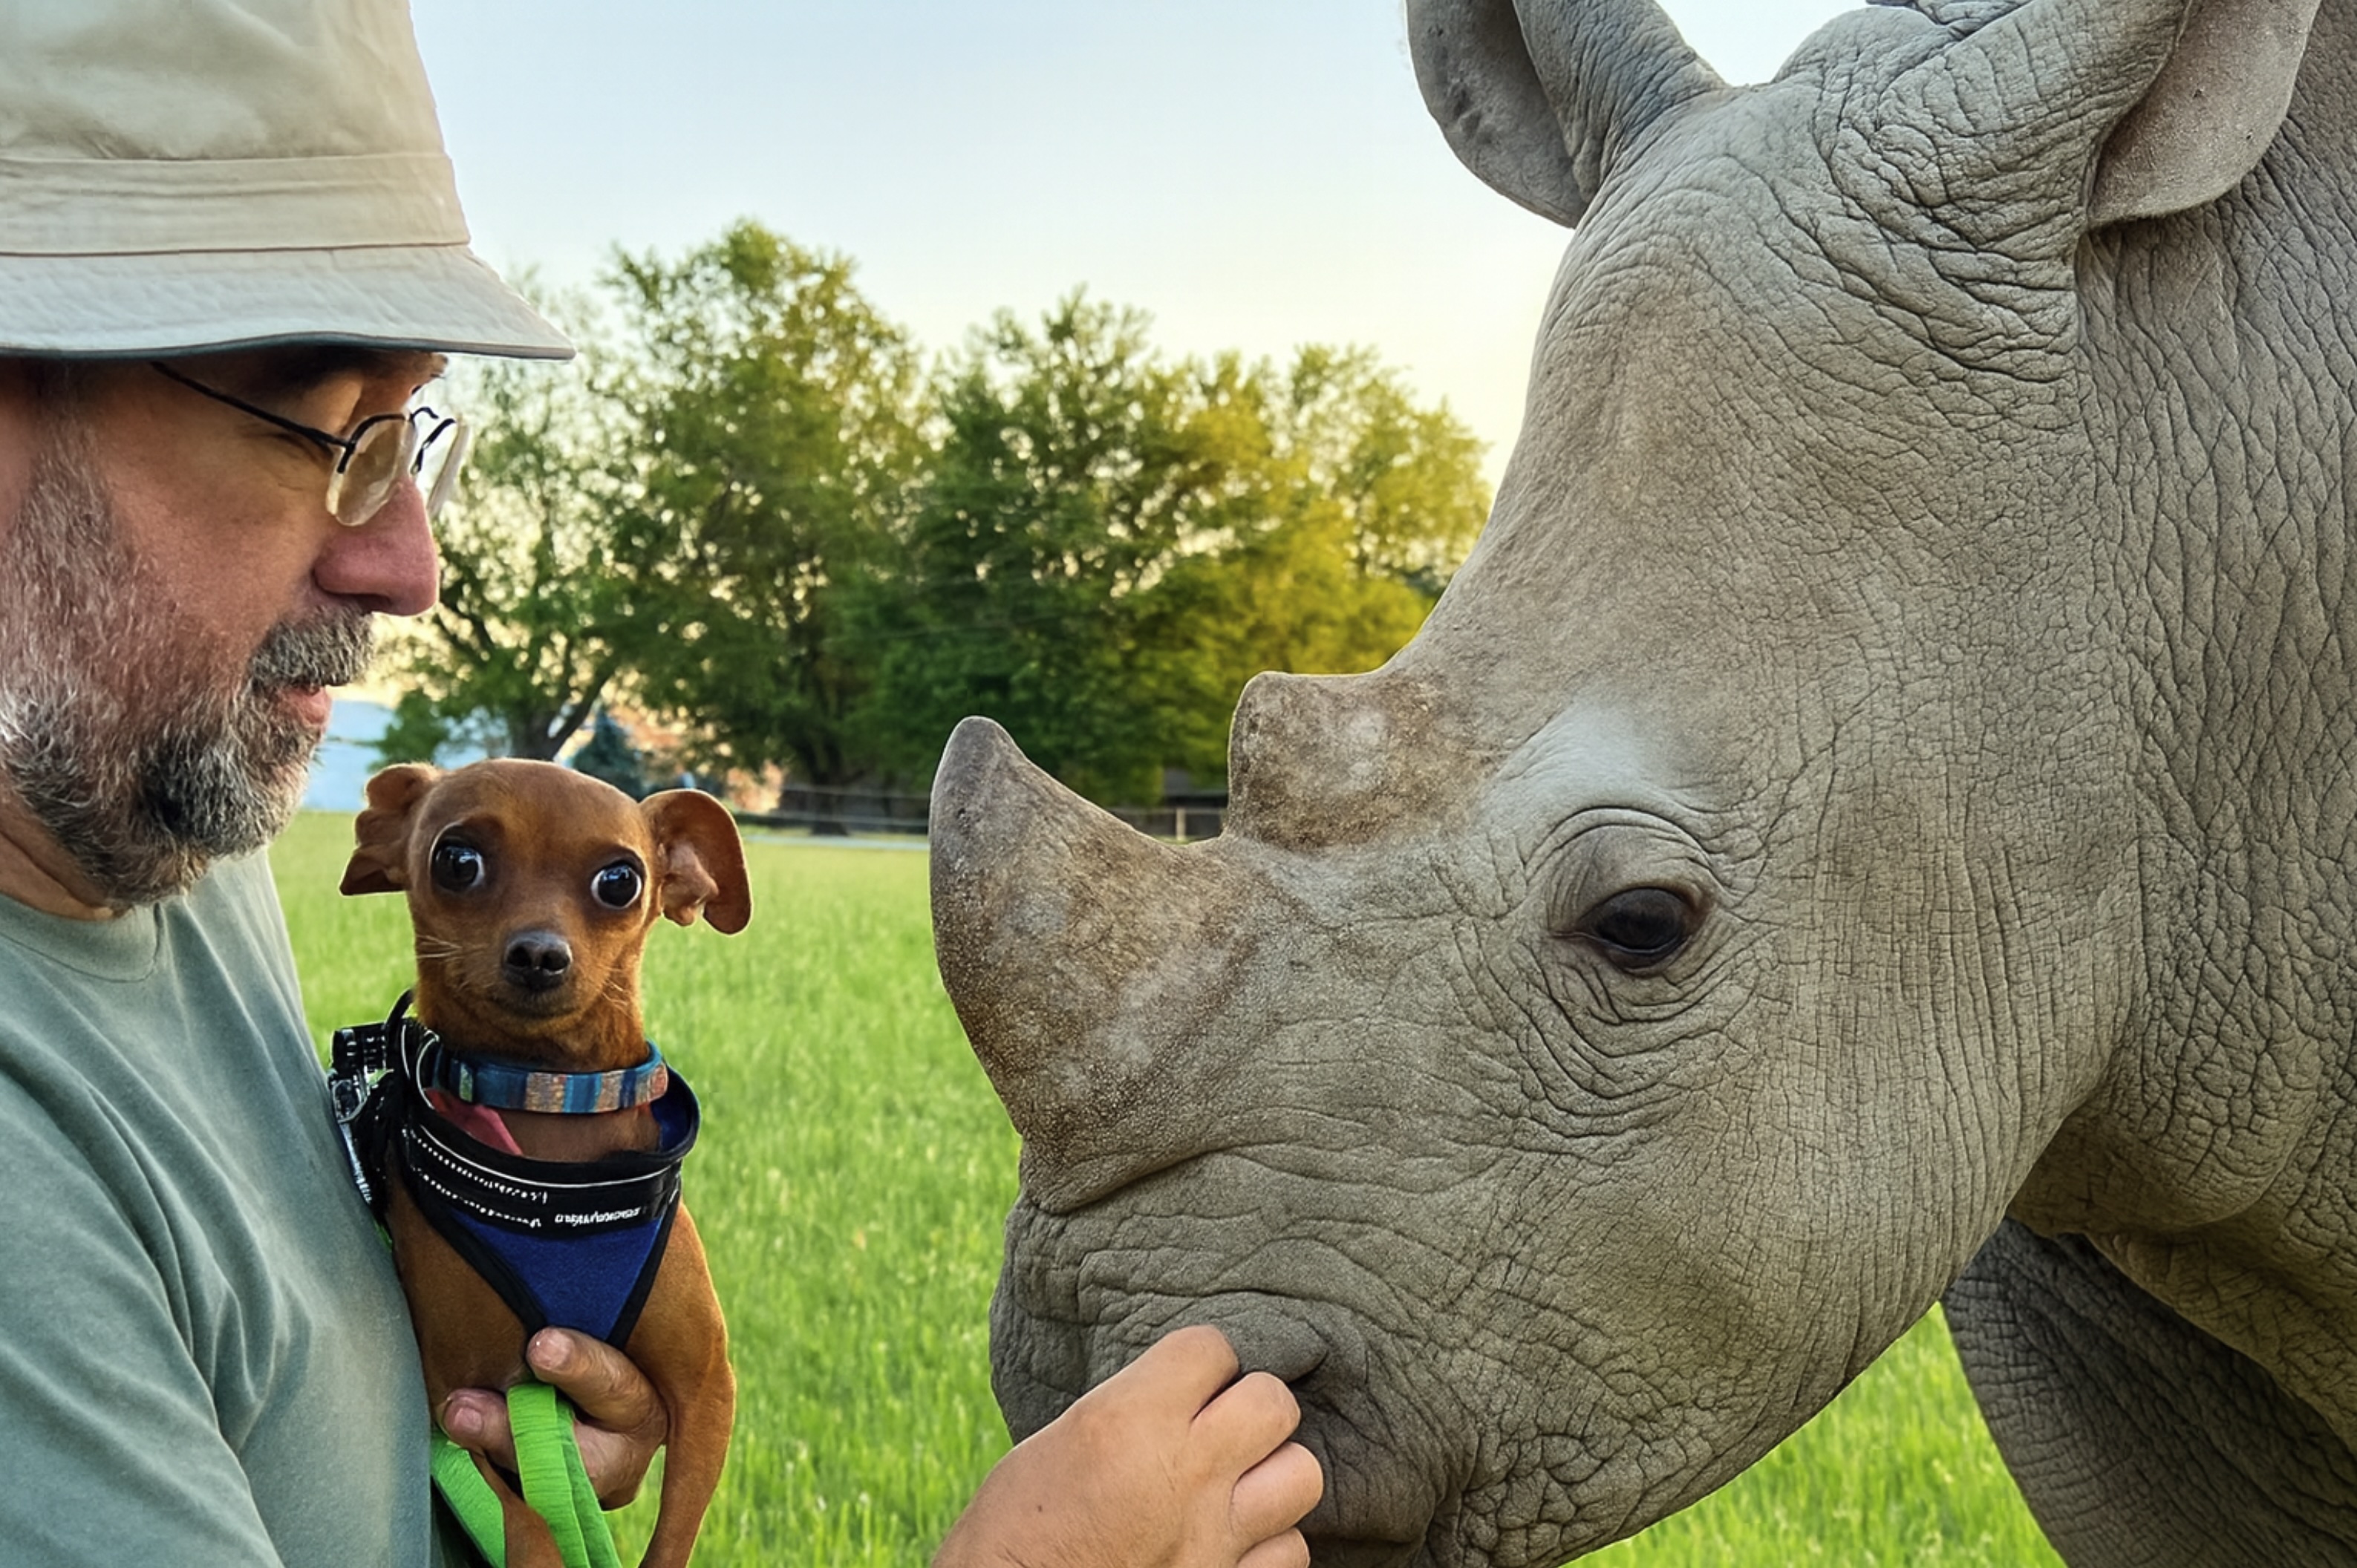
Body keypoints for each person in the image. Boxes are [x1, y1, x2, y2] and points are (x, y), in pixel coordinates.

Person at [0, 3, 1322, 1565]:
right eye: (323, 425)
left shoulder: (156, 823)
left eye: (409, 437)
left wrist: (479, 1468)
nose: (407, 563)